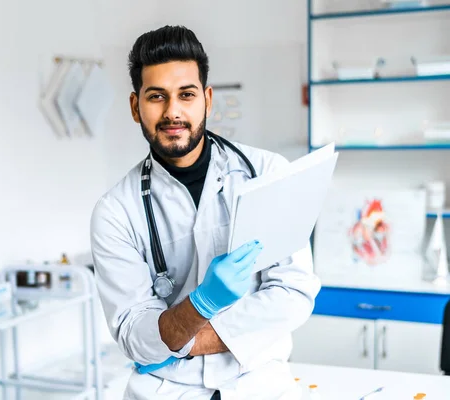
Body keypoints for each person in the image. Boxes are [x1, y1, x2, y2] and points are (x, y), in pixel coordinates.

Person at [90, 25, 321, 400]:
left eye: (186, 94)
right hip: (165, 391)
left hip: (259, 386)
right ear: (136, 107)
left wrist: (181, 340)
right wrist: (202, 303)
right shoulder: (116, 212)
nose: (173, 112)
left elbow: (294, 294)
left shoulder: (267, 173)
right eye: (156, 97)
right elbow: (135, 336)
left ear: (207, 100)